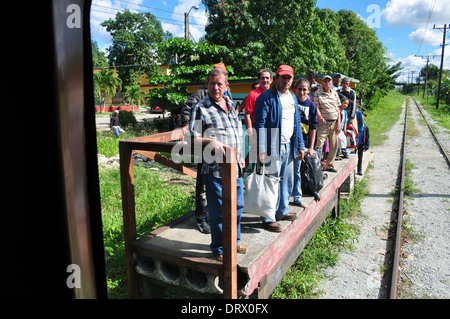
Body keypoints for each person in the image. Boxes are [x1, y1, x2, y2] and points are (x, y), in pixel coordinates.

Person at [188, 68, 247, 260]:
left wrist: (241, 156)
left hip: (235, 166)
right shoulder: (201, 107)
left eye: (219, 84)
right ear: (206, 85)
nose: (215, 87)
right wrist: (209, 142)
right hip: (214, 169)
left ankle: (234, 242)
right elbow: (192, 139)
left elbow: (236, 132)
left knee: (237, 206)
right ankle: (220, 248)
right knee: (219, 210)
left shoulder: (230, 103)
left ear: (226, 86)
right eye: (212, 83)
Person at [181, 63, 233, 234]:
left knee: (221, 184)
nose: (216, 85)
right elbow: (188, 108)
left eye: (221, 78)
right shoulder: (202, 94)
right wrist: (187, 126)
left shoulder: (227, 94)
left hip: (224, 152)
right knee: (203, 184)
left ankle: (216, 216)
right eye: (214, 81)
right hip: (205, 146)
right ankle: (201, 218)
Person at [254, 65, 306, 232]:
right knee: (270, 182)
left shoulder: (292, 97)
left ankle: (281, 211)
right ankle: (268, 217)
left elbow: (297, 123)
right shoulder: (266, 97)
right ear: (276, 78)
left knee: (286, 181)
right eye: (283, 77)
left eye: (289, 78)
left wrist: (300, 145)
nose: (286, 81)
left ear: (292, 80)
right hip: (272, 145)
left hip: (289, 145)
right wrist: (261, 148)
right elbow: (259, 124)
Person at [292, 78, 318, 208]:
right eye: (299, 89)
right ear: (295, 89)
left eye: (304, 90)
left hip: (303, 142)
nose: (301, 92)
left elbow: (313, 128)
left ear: (308, 91)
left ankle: (297, 196)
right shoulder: (290, 101)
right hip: (289, 140)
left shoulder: (311, 105)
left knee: (297, 170)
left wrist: (311, 147)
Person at [314, 75, 341, 172]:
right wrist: (320, 117)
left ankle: (330, 165)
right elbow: (316, 106)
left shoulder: (334, 93)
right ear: (322, 82)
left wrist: (339, 124)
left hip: (334, 122)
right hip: (323, 122)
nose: (327, 83)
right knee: (319, 143)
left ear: (331, 82)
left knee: (334, 144)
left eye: (329, 81)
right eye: (325, 81)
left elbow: (338, 109)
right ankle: (317, 164)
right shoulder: (318, 93)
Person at [244, 69, 274, 145]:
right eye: (262, 78)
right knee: (257, 155)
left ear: (271, 80)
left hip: (272, 133)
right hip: (257, 133)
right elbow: (247, 116)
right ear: (259, 80)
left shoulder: (275, 94)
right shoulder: (252, 94)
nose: (265, 80)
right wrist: (251, 135)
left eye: (267, 78)